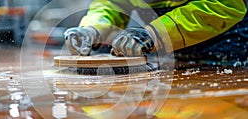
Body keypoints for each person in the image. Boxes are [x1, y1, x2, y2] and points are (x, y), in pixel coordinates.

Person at [64, 0, 247, 64]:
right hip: (176, 56)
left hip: (228, 48)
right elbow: (113, 3)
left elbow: (224, 4)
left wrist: (155, 35)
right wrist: (92, 28)